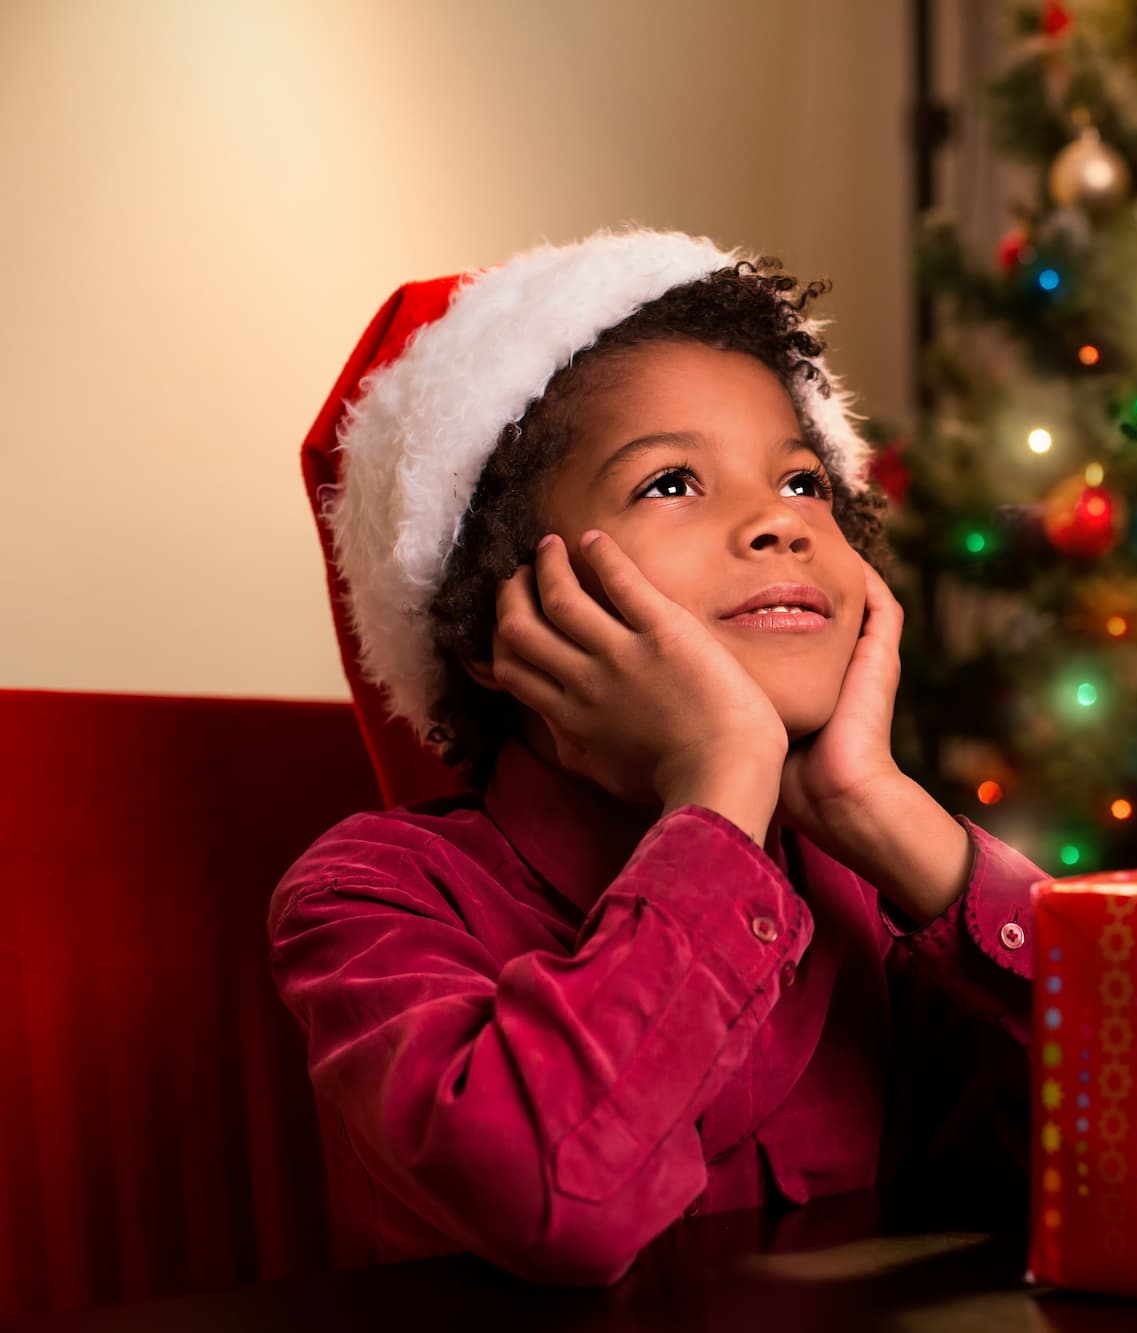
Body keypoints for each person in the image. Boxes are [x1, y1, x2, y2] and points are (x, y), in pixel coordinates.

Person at [270, 228, 1045, 1287]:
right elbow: (553, 1200)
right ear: (500, 615)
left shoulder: (869, 899)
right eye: (672, 482)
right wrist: (722, 777)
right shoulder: (370, 895)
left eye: (805, 482)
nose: (779, 521)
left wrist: (884, 812)